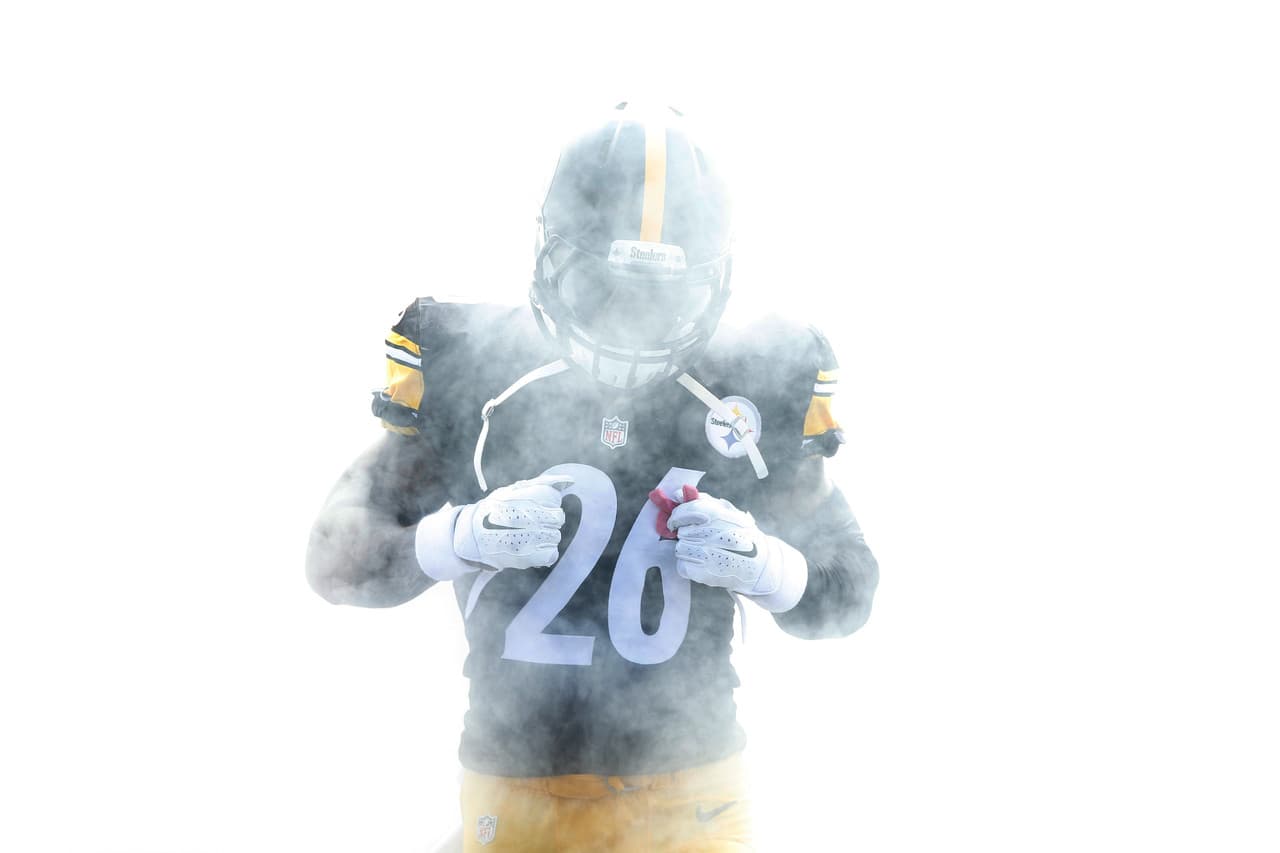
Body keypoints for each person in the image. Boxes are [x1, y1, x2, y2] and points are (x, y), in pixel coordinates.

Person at [306, 102, 879, 852]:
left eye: (661, 291)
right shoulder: (474, 365)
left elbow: (852, 587)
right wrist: (456, 535)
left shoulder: (758, 379)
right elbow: (334, 558)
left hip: (694, 797)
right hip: (516, 793)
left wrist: (772, 566)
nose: (629, 318)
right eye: (603, 284)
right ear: (551, 251)